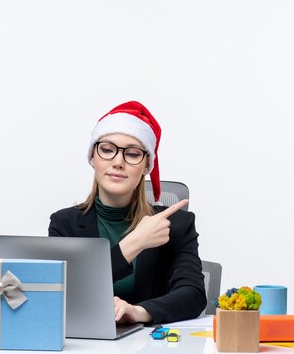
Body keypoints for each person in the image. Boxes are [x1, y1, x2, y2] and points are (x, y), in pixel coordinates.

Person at [48, 100, 206, 325]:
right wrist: (134, 243)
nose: (118, 162)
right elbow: (64, 293)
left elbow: (193, 295)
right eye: (107, 150)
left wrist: (138, 312)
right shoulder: (64, 224)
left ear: (146, 166)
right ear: (93, 157)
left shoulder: (175, 224)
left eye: (132, 154)